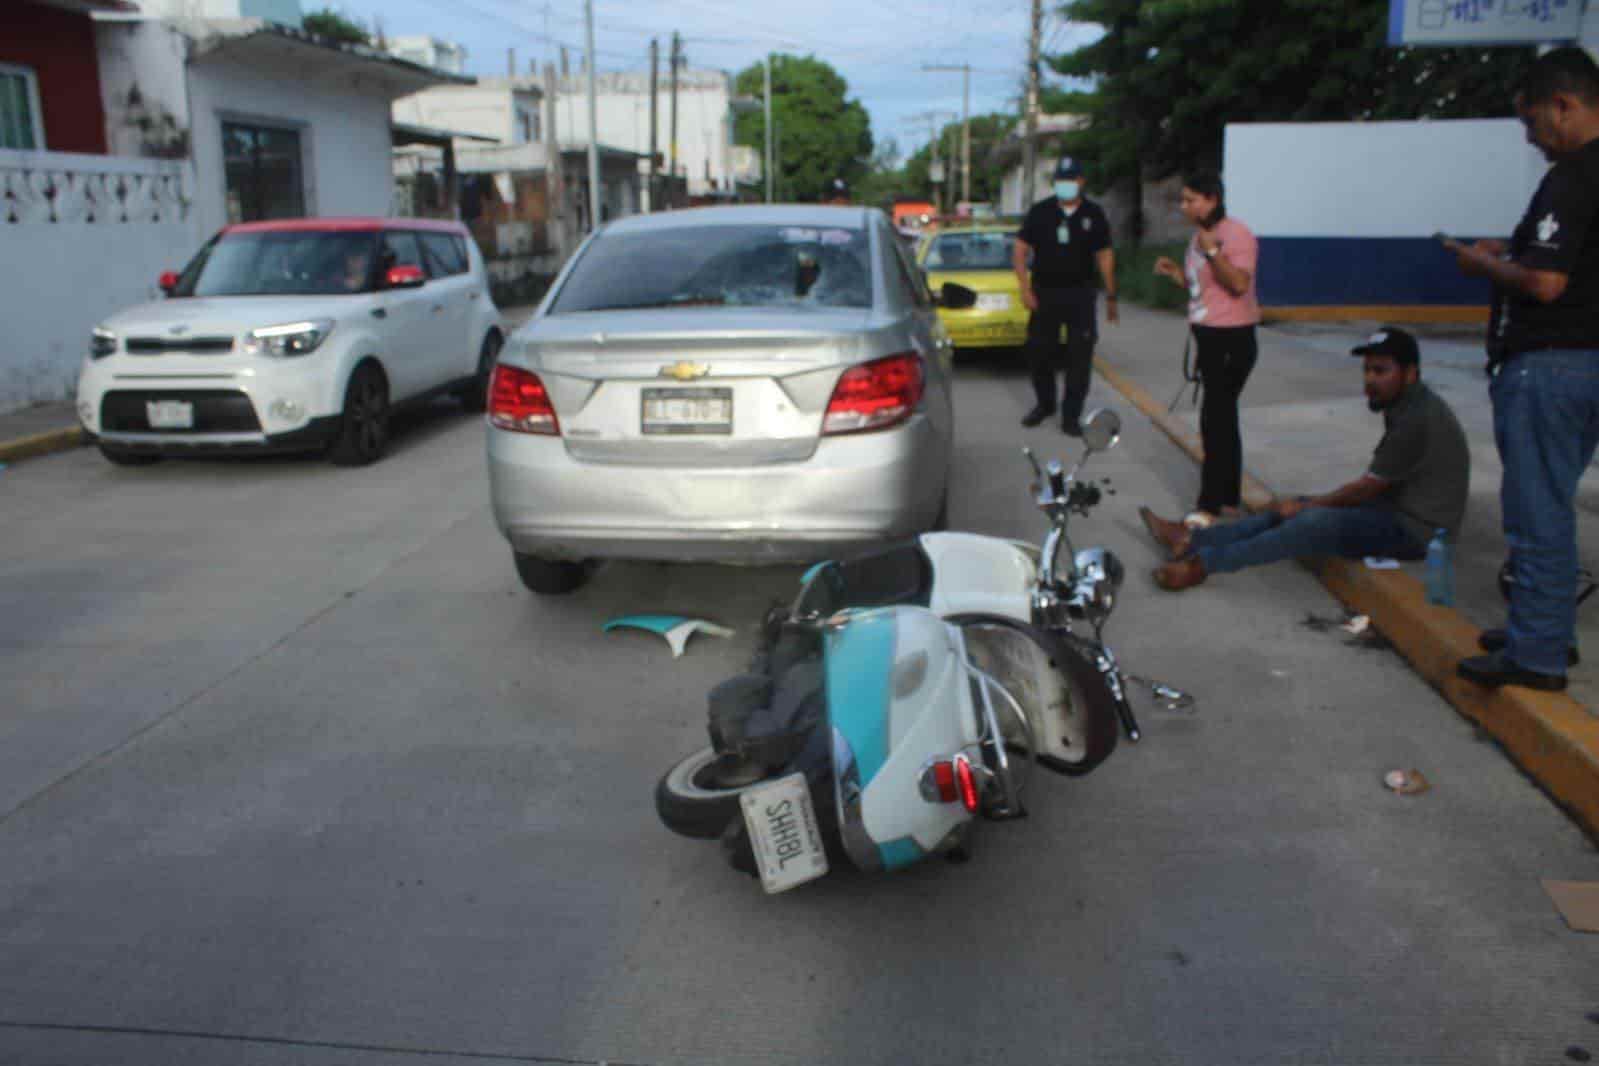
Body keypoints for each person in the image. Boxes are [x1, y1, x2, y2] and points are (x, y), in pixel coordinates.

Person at [1446, 47, 1599, 693]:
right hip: (1582, 359)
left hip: (1549, 365)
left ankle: (1534, 655)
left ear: (1563, 104)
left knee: (1536, 511)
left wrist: (1482, 265)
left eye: (1532, 122)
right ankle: (1543, 629)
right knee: (1550, 505)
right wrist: (1506, 249)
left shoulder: (1571, 175)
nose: (1531, 139)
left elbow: (1542, 281)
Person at [1140, 328, 1469, 593]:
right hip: (1393, 508)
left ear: (1411, 373)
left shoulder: (1417, 418)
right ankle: (1191, 540)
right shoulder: (1408, 403)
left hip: (1416, 531)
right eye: (1367, 370)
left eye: (1381, 370)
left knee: (1309, 522)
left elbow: (1365, 489)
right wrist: (1307, 504)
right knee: (1296, 507)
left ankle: (1201, 566)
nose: (1370, 379)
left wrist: (1310, 508)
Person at [1154, 171, 1260, 524]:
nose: (1184, 206)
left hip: (1232, 338)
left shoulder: (1235, 234)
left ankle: (1209, 505)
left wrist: (1212, 250)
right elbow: (1205, 290)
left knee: (1214, 421)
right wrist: (1176, 275)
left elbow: (1238, 284)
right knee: (1223, 418)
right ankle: (1228, 498)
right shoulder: (1196, 239)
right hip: (1210, 339)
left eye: (1190, 199)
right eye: (1183, 200)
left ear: (1212, 199)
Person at [1013, 156, 1117, 436]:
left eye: (1071, 180)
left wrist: (1111, 294)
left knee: (1078, 358)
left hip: (1081, 295)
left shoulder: (1094, 214)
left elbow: (1104, 255)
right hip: (1044, 294)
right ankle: (1045, 404)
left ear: (1081, 182)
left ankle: (1071, 415)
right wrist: (1025, 288)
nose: (1066, 185)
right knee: (1039, 352)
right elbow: (1020, 250)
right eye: (1061, 180)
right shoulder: (1040, 212)